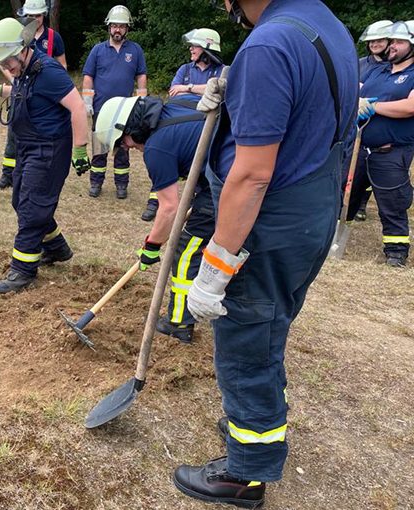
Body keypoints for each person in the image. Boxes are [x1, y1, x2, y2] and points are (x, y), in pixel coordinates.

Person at [177, 0, 358, 508]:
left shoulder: (269, 44)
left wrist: (216, 266)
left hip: (270, 220)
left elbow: (253, 174)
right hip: (312, 209)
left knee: (248, 335)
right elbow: (310, 104)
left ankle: (246, 471)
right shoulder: (322, 22)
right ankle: (253, 421)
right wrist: (240, 88)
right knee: (270, 325)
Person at [0, 17, 89, 293]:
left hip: (48, 148)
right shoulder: (24, 71)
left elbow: (78, 107)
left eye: (9, 61)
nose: (7, 67)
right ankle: (57, 247)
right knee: (20, 199)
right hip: (27, 146)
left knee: (31, 207)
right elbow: (24, 93)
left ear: (23, 47)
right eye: (2, 63)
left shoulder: (48, 71)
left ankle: (23, 269)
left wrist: (81, 149)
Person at [94, 93, 213, 344]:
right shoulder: (180, 103)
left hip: (227, 181)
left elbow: (169, 208)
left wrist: (152, 247)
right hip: (220, 173)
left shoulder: (157, 148)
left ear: (133, 128)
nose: (127, 147)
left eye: (123, 141)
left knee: (187, 248)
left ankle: (179, 322)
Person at [349, 20, 414, 267]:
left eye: (399, 42)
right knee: (344, 195)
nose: (392, 46)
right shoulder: (379, 70)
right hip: (359, 149)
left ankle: (396, 252)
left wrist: (373, 107)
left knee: (392, 203)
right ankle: (333, 236)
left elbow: (410, 107)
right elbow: (357, 90)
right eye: (393, 41)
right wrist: (356, 100)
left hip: (391, 153)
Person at [142, 28, 224, 222]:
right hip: (186, 128)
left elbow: (220, 89)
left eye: (195, 45)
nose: (191, 49)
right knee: (163, 167)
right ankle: (155, 204)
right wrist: (205, 92)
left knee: (202, 178)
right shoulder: (185, 69)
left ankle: (193, 209)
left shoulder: (221, 71)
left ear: (207, 48)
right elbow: (174, 93)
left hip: (209, 132)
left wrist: (188, 88)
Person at [0, 0, 68, 192]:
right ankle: (8, 175)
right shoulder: (19, 34)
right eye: (31, 16)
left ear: (44, 15)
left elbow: (62, 65)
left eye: (38, 15)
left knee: (38, 136)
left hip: (43, 93)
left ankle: (35, 173)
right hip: (21, 91)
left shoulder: (53, 37)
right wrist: (14, 79)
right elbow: (3, 60)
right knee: (14, 135)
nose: (35, 19)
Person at [82, 5, 148, 200]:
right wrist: (87, 101)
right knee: (99, 148)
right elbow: (88, 76)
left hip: (125, 111)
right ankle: (96, 182)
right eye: (114, 26)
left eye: (121, 26)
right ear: (109, 27)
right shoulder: (97, 50)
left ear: (127, 28)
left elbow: (141, 75)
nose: (117, 29)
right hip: (101, 109)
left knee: (123, 148)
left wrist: (141, 100)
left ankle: (121, 185)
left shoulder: (135, 50)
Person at [353, 20, 393, 221]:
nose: (375, 44)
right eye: (371, 41)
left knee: (371, 171)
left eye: (380, 40)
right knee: (353, 168)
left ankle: (361, 204)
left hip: (381, 126)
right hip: (355, 124)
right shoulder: (360, 63)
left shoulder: (394, 67)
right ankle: (350, 205)